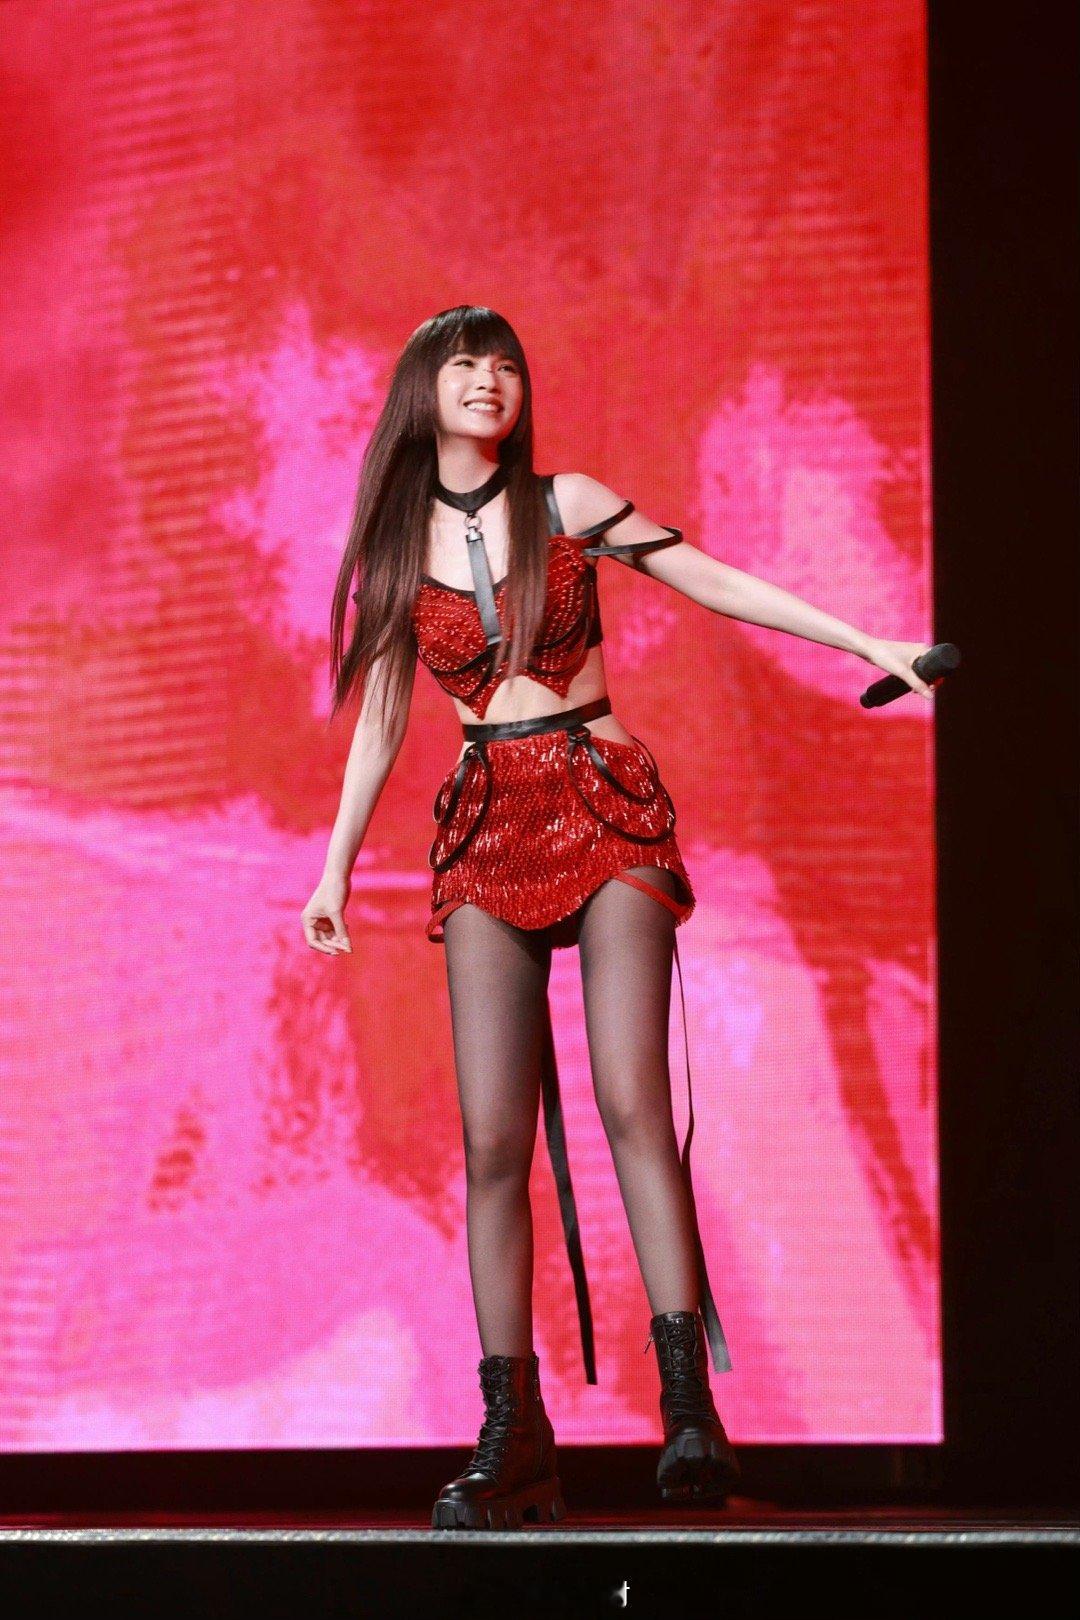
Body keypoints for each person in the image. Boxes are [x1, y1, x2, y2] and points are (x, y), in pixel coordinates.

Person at [301, 305, 933, 1531]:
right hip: (486, 823)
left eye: (504, 364)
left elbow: (713, 580)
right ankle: (514, 1436)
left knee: (633, 1096)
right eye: (464, 365)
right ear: (423, 391)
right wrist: (333, 872)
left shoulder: (568, 503)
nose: (489, 380)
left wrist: (869, 639)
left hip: (601, 798)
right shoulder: (394, 549)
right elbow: (380, 719)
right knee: (493, 1140)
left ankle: (689, 1411)